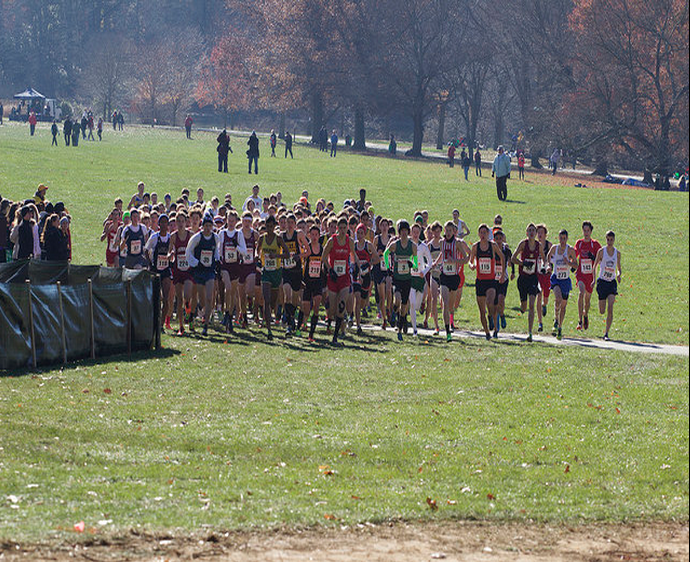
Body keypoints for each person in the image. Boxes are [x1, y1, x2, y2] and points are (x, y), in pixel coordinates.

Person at [431, 221, 469, 342]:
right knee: (445, 303)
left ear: (454, 232)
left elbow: (466, 259)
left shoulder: (457, 243)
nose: (447, 233)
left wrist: (455, 261)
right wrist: (435, 263)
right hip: (444, 276)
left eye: (450, 231)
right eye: (446, 230)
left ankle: (450, 319)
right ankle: (447, 332)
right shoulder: (442, 243)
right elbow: (442, 254)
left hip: (454, 277)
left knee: (451, 306)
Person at [322, 216, 356, 346]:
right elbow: (324, 257)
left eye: (344, 228)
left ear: (347, 228)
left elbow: (353, 256)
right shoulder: (332, 241)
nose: (342, 230)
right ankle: (332, 323)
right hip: (333, 277)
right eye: (340, 228)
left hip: (344, 278)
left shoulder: (350, 241)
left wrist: (356, 266)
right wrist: (330, 269)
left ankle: (336, 337)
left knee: (341, 305)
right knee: (333, 309)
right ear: (337, 229)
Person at [257, 215, 290, 339]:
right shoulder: (262, 238)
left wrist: (276, 256)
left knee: (272, 302)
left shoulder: (279, 239)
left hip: (276, 272)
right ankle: (269, 330)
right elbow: (257, 249)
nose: (269, 229)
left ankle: (269, 315)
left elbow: (287, 254)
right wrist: (257, 256)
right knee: (266, 299)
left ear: (274, 227)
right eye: (267, 227)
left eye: (271, 227)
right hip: (266, 272)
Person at [185, 213, 219, 335]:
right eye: (206, 226)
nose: (208, 228)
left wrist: (217, 261)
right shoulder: (197, 238)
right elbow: (188, 251)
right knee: (202, 299)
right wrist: (195, 263)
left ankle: (206, 325)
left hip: (209, 271)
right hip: (199, 271)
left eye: (210, 226)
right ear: (202, 226)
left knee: (210, 298)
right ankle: (193, 315)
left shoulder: (215, 237)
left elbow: (216, 251)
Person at [511, 223, 545, 342]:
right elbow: (512, 258)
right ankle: (522, 306)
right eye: (529, 230)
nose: (531, 232)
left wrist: (545, 267)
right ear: (526, 233)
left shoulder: (538, 246)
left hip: (533, 278)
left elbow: (544, 259)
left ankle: (530, 332)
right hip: (523, 279)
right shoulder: (523, 244)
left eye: (533, 230)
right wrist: (523, 263)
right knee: (524, 307)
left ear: (536, 234)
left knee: (532, 305)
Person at [469, 224, 504, 339]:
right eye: (481, 232)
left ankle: (494, 327)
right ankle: (487, 333)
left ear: (488, 234)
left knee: (490, 303)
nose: (483, 235)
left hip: (491, 281)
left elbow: (502, 257)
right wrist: (472, 265)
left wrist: (502, 274)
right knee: (481, 310)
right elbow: (470, 261)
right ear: (478, 234)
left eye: (485, 232)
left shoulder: (492, 246)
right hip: (480, 281)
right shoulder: (475, 247)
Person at [546, 229, 578, 340]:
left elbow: (576, 265)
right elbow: (548, 257)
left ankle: (560, 327)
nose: (562, 241)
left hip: (565, 280)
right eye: (561, 238)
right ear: (558, 238)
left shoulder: (570, 250)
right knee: (558, 298)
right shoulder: (554, 248)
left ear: (567, 238)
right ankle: (555, 317)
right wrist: (548, 266)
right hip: (556, 278)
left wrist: (569, 262)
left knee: (563, 306)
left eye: (564, 238)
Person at [281, 213, 308, 335]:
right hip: (286, 270)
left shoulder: (299, 235)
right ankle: (289, 322)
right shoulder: (281, 236)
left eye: (292, 223)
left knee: (295, 298)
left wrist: (299, 256)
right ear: (285, 223)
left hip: (297, 271)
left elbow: (309, 251)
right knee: (287, 294)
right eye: (288, 222)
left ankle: (291, 318)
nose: (290, 225)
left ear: (295, 224)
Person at [145, 214, 173, 333]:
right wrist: (150, 263)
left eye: (165, 222)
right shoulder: (154, 237)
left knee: (166, 299)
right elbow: (146, 249)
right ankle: (153, 322)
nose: (163, 224)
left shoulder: (171, 238)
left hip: (166, 270)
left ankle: (161, 324)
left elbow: (173, 251)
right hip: (155, 270)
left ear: (167, 225)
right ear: (158, 224)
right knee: (156, 298)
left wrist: (171, 256)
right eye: (161, 222)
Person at [592, 230, 622, 341]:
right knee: (602, 310)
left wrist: (619, 275)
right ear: (606, 239)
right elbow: (594, 266)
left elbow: (619, 269)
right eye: (608, 240)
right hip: (602, 282)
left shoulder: (617, 253)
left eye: (611, 240)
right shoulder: (601, 252)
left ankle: (606, 333)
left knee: (610, 308)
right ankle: (605, 332)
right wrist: (594, 280)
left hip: (611, 283)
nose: (609, 242)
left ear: (614, 240)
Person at [574, 221, 601, 331]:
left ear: (591, 231)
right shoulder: (579, 243)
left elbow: (601, 259)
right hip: (581, 274)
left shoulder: (595, 245)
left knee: (587, 300)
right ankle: (580, 321)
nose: (586, 233)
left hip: (590, 276)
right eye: (584, 231)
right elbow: (573, 255)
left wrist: (593, 257)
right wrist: (572, 264)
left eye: (588, 231)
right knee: (581, 293)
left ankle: (585, 315)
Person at [170, 211, 194, 335]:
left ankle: (189, 315)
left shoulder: (191, 235)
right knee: (179, 299)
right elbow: (170, 251)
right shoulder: (173, 236)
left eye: (182, 221)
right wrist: (171, 255)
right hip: (178, 270)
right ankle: (181, 326)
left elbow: (196, 249)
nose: (180, 223)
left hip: (189, 271)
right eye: (178, 221)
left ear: (186, 222)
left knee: (187, 297)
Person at [301, 224, 325, 342]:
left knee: (316, 305)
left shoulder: (322, 249)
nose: (314, 237)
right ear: (309, 235)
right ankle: (301, 323)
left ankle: (311, 334)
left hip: (318, 281)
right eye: (312, 235)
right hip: (307, 281)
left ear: (319, 236)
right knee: (306, 309)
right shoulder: (308, 249)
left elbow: (325, 262)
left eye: (316, 235)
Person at [408, 222, 431, 336]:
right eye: (414, 232)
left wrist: (424, 271)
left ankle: (414, 315)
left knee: (416, 305)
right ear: (411, 233)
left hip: (420, 279)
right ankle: (415, 329)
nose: (416, 234)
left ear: (420, 233)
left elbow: (430, 262)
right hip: (410, 278)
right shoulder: (407, 245)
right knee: (412, 304)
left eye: (417, 232)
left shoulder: (423, 247)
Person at [492, 230, 514, 333]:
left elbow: (512, 260)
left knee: (501, 299)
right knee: (494, 304)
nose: (499, 241)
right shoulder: (491, 249)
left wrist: (513, 272)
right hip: (493, 279)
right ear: (494, 239)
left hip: (503, 278)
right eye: (497, 239)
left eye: (500, 239)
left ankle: (502, 315)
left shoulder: (506, 249)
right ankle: (496, 328)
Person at [536, 224, 553, 333]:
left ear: (545, 234)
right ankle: (540, 322)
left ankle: (544, 305)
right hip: (537, 275)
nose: (540, 234)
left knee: (545, 297)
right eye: (538, 232)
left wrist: (549, 266)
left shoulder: (549, 245)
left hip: (547, 275)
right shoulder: (534, 245)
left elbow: (553, 260)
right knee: (539, 294)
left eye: (542, 232)